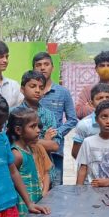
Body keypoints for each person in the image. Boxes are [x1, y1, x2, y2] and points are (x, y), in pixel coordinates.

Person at [32, 52, 77, 185]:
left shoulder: (63, 92)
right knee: (35, 184)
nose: (42, 68)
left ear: (52, 67)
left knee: (56, 187)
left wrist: (57, 132)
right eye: (38, 65)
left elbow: (72, 119)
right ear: (33, 68)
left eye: (46, 64)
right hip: (32, 149)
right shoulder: (30, 92)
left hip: (55, 150)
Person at [11, 70, 61, 184]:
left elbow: (54, 146)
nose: (37, 90)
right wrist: (45, 141)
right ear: (22, 89)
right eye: (33, 86)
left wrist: (25, 139)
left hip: (45, 173)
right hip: (21, 172)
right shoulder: (13, 113)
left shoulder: (49, 115)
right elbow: (11, 142)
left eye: (41, 87)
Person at [71, 83, 109, 160]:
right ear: (91, 103)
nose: (104, 100)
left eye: (108, 97)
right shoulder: (84, 125)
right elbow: (75, 152)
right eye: (100, 98)